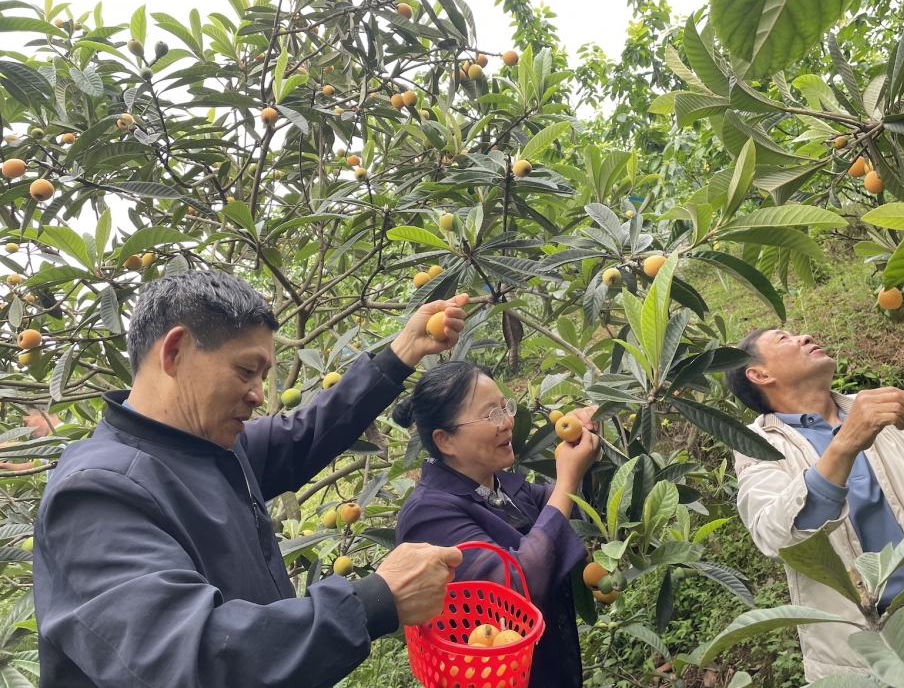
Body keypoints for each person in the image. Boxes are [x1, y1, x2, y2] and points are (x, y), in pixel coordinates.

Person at [35, 270, 470, 688]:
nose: (260, 394)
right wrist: (373, 600)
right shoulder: (96, 492)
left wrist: (402, 352)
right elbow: (194, 659)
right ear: (174, 353)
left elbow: (308, 431)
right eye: (246, 371)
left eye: (263, 376)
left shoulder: (212, 446)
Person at [724, 328, 904, 685]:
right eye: (784, 339)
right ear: (760, 375)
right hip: (875, 646)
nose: (804, 336)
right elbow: (777, 534)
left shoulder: (884, 408)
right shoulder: (758, 447)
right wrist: (846, 443)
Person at [393, 361, 601, 688]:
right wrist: (567, 479)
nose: (507, 422)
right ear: (445, 440)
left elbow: (575, 513)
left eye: (506, 407)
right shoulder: (427, 516)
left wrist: (586, 452)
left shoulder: (500, 486)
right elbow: (513, 591)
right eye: (492, 415)